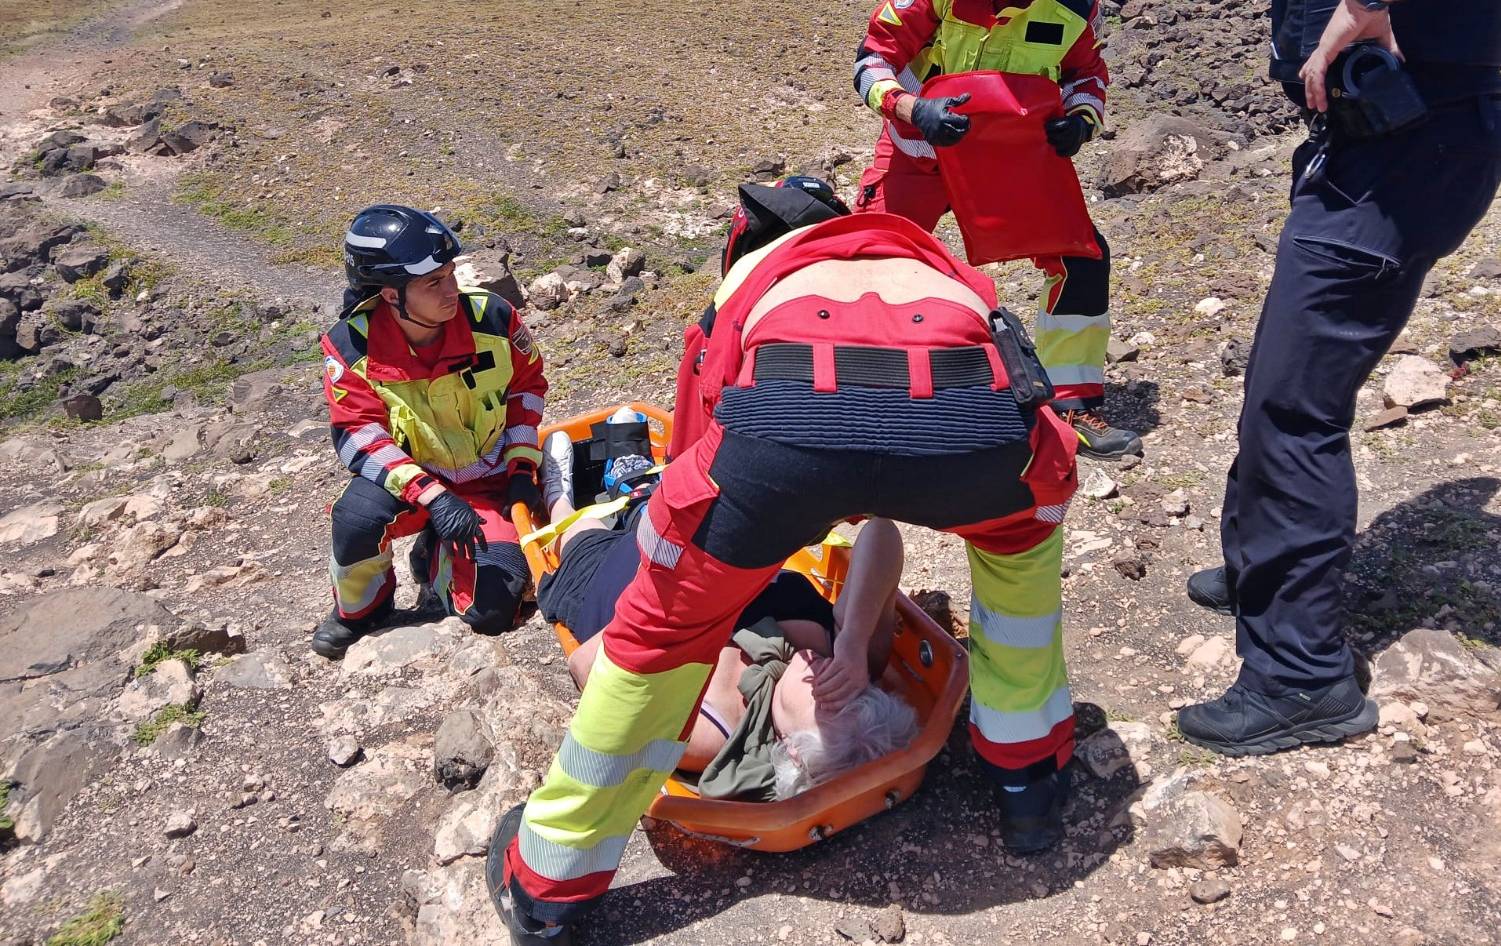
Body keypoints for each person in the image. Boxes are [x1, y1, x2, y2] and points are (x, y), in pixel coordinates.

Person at [485, 207, 1082, 945]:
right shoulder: (928, 263)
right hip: (985, 440)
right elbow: (1008, 382)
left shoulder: (750, 280)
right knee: (1017, 600)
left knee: (656, 642)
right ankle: (1028, 787)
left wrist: (738, 524)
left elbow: (700, 443)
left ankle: (550, 883)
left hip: (786, 436)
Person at [1178, 1, 1501, 755]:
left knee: (1294, 409)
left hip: (1402, 137)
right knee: (1279, 384)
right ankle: (1260, 571)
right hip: (1393, 135)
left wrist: (1362, 5)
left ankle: (1299, 676)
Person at [536, 441, 916, 801]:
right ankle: (630, 466)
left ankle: (558, 496)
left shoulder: (711, 735)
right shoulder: (845, 657)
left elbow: (585, 665)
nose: (835, 679)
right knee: (653, 500)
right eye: (860, 693)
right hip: (681, 542)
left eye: (829, 704)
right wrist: (853, 638)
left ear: (794, 750)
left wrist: (684, 604)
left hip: (610, 583)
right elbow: (881, 531)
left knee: (576, 531)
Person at [850, 0, 1142, 461]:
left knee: (1081, 258)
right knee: (866, 261)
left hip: (1010, 158)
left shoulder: (1077, 7)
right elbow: (872, 61)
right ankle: (851, 399)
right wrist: (911, 108)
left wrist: (1082, 120)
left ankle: (1069, 405)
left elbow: (1086, 75)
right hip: (918, 151)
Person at [311, 204, 548, 659]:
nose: (452, 290)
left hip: (493, 482)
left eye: (450, 273)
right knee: (357, 519)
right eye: (433, 282)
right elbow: (359, 434)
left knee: (497, 613)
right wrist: (432, 496)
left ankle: (435, 560)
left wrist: (521, 467)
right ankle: (362, 611)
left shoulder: (493, 319)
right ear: (388, 294)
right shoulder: (349, 347)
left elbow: (527, 391)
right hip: (412, 484)